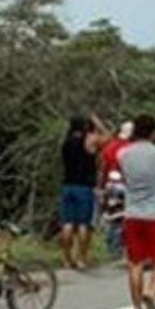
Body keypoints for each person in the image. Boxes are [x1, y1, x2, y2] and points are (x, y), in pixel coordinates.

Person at [117, 114, 155, 309]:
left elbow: (124, 178)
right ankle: (151, 291)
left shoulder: (124, 154)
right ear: (153, 132)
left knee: (135, 263)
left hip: (132, 213)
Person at [59, 116, 103, 270]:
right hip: (84, 187)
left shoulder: (65, 143)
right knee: (83, 224)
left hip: (68, 185)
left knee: (67, 223)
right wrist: (98, 123)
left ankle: (66, 258)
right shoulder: (88, 141)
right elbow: (108, 139)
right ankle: (81, 258)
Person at [98, 121, 134, 259]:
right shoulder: (132, 148)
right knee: (128, 218)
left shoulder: (109, 148)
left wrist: (101, 186)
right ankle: (125, 249)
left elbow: (103, 169)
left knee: (114, 218)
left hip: (111, 185)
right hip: (127, 185)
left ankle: (113, 249)